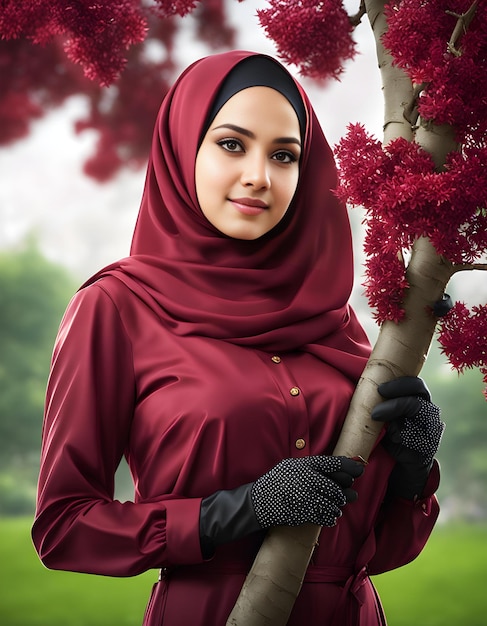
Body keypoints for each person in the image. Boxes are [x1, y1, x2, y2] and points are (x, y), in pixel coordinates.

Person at [32, 51, 445, 626]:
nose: (259, 175)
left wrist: (410, 468)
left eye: (284, 155)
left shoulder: (332, 316)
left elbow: (385, 552)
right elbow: (65, 529)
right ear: (183, 149)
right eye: (231, 144)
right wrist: (238, 510)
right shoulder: (115, 309)